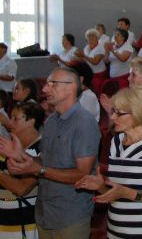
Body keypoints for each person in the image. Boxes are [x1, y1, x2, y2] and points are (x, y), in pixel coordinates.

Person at [2, 67, 100, 237]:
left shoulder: (84, 122)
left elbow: (82, 174)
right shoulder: (51, 122)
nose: (45, 89)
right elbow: (45, 161)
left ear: (71, 87)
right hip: (45, 212)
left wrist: (38, 170)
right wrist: (21, 156)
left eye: (52, 84)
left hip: (70, 214)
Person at [76, 87, 142, 239]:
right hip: (114, 230)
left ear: (137, 113)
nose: (113, 117)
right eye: (113, 111)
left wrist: (128, 193)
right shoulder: (116, 142)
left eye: (119, 113)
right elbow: (116, 193)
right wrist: (100, 186)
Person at [0, 101, 45, 239]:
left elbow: (21, 188)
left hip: (23, 224)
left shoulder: (41, 150)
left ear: (31, 121)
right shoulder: (10, 145)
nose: (10, 123)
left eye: (15, 118)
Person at [75, 28, 108, 93]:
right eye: (89, 36)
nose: (90, 37)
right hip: (88, 73)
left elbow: (95, 62)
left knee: (97, 92)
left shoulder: (100, 47)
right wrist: (78, 58)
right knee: (88, 92)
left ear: (97, 37)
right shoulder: (86, 47)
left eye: (93, 35)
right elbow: (85, 60)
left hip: (98, 74)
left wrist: (83, 55)